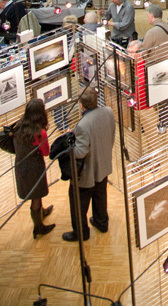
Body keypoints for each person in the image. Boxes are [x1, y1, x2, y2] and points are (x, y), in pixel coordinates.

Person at [62, 86, 115, 242]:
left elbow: (80, 152)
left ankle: (81, 233)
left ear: (81, 105)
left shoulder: (83, 125)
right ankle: (101, 223)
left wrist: (68, 140)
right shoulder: (108, 112)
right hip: (103, 166)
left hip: (88, 172)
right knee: (100, 196)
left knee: (78, 205)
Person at [13, 99, 55, 239]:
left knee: (36, 194)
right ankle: (38, 227)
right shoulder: (39, 133)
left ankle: (41, 213)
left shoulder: (18, 126)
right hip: (34, 169)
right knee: (36, 196)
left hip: (21, 167)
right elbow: (45, 152)